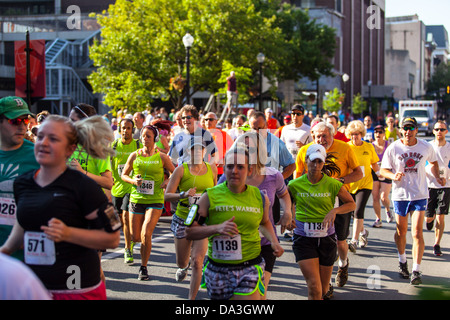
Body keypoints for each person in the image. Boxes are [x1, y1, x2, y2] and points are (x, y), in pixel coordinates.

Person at [0, 115, 120, 299]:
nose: (44, 143)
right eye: (40, 137)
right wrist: (5, 251)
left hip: (76, 289)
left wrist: (68, 234)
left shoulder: (85, 187)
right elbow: (23, 224)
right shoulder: (22, 183)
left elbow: (112, 238)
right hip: (34, 287)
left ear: (70, 149)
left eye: (53, 139)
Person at [185, 146, 284, 300]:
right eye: (230, 166)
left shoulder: (260, 197)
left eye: (240, 167)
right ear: (224, 169)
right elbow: (189, 231)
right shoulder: (209, 196)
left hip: (249, 266)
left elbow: (264, 223)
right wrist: (217, 228)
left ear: (249, 170)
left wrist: (274, 241)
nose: (235, 171)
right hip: (218, 269)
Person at [219, 132, 293, 299]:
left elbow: (284, 195)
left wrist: (287, 212)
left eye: (251, 148)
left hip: (265, 243)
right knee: (243, 295)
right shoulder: (229, 176)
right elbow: (213, 201)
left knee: (259, 291)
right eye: (243, 147)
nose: (247, 151)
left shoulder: (273, 175)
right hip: (237, 242)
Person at [295, 121, 362, 290]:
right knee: (319, 243)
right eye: (317, 136)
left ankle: (343, 263)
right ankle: (326, 283)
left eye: (325, 136)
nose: (321, 139)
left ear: (332, 135)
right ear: (312, 136)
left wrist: (340, 181)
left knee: (339, 242)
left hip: (339, 199)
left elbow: (358, 173)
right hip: (314, 202)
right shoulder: (305, 151)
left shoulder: (345, 148)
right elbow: (298, 175)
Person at [380, 117, 445, 285]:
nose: (408, 132)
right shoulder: (394, 148)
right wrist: (393, 175)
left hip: (419, 194)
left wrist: (437, 176)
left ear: (416, 130)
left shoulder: (425, 146)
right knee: (401, 231)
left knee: (416, 232)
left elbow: (434, 162)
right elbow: (383, 170)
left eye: (411, 128)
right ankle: (403, 261)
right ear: (401, 130)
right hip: (400, 195)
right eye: (405, 128)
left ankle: (416, 270)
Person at [289, 144, 355, 300]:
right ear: (306, 161)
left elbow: (351, 204)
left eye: (319, 162)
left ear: (324, 162)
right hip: (303, 239)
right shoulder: (295, 184)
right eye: (312, 161)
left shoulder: (333, 184)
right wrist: (289, 214)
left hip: (327, 239)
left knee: (324, 289)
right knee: (314, 286)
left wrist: (334, 211)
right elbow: (287, 202)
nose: (315, 165)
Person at [164, 138, 217, 299]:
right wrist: (183, 194)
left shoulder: (211, 168)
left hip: (202, 220)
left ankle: (191, 298)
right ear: (189, 151)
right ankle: (182, 267)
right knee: (182, 261)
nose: (197, 152)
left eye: (201, 149)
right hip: (183, 218)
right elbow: (167, 196)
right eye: (194, 149)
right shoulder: (181, 170)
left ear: (205, 152)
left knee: (197, 261)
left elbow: (216, 192)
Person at [121, 125, 175, 280]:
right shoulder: (134, 155)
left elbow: (175, 172)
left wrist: (167, 181)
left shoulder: (162, 157)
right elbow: (124, 174)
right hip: (137, 199)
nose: (144, 139)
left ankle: (143, 267)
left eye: (148, 136)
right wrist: (133, 180)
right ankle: (131, 244)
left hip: (155, 200)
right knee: (136, 237)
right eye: (143, 136)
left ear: (155, 139)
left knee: (146, 233)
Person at [0, 96, 39, 261]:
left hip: (28, 257)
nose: (22, 126)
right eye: (15, 121)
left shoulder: (40, 155)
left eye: (25, 120)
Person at [345, 121, 379, 251]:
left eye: (357, 134)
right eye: (352, 134)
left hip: (365, 184)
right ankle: (363, 232)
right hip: (350, 184)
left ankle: (353, 241)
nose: (355, 137)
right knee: (353, 213)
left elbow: (374, 164)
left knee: (358, 210)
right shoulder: (346, 147)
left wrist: (380, 174)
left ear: (362, 134)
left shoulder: (368, 147)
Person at [111, 118, 141, 264]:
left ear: (132, 130)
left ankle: (127, 249)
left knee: (126, 217)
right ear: (119, 129)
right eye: (123, 128)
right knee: (122, 221)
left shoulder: (138, 145)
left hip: (132, 187)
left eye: (128, 128)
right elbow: (108, 165)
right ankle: (130, 240)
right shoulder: (114, 146)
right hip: (117, 187)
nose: (125, 131)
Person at [425, 120, 450, 256]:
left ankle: (437, 244)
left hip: (445, 185)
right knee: (428, 218)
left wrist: (447, 177)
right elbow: (423, 165)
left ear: (446, 131)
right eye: (437, 129)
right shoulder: (428, 146)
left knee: (441, 216)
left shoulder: (449, 147)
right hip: (430, 184)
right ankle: (430, 218)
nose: (439, 132)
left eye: (442, 129)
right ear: (433, 131)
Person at [371, 125, 393, 228]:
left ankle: (388, 209)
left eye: (380, 132)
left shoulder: (388, 146)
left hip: (386, 171)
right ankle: (378, 219)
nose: (378, 134)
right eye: (376, 132)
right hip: (374, 172)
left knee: (383, 197)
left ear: (384, 134)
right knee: (375, 197)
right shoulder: (371, 146)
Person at [204, 112, 233, 179]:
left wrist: (224, 160)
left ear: (216, 121)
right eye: (206, 119)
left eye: (210, 119)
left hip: (220, 171)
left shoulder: (223, 134)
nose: (208, 121)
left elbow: (233, 150)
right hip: (205, 171)